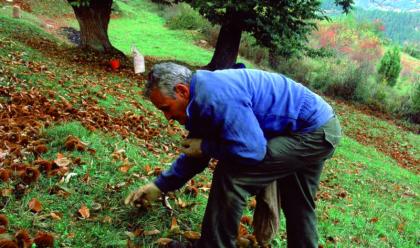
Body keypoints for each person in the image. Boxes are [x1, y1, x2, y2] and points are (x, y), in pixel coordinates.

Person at [125, 62, 342, 248]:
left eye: (166, 108)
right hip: (319, 126)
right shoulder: (201, 94)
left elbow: (252, 151)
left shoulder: (215, 97)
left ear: (182, 91)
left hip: (314, 131)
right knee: (297, 201)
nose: (168, 117)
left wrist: (207, 147)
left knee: (233, 175)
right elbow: (196, 154)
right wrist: (159, 186)